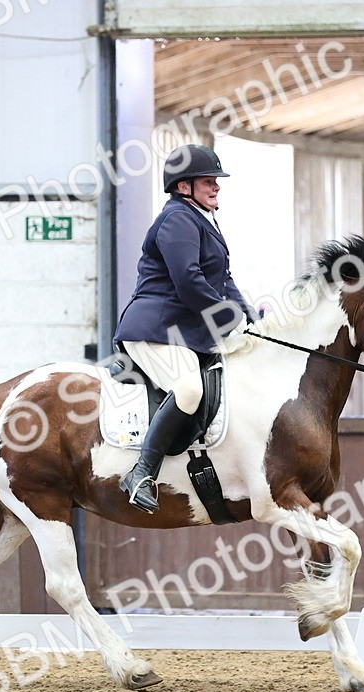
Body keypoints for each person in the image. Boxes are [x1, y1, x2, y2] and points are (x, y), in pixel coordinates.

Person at [111, 144, 258, 513]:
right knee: (189, 387)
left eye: (216, 181)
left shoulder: (203, 219)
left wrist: (252, 319)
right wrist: (228, 319)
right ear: (183, 187)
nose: (216, 187)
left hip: (184, 332)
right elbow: (189, 282)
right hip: (154, 328)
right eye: (208, 181)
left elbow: (224, 281)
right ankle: (141, 473)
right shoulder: (177, 219)